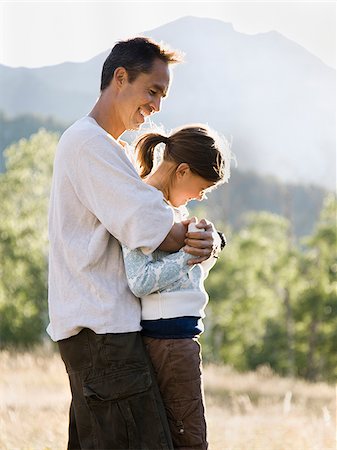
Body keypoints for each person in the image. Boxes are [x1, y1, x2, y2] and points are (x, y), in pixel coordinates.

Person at [47, 37, 221, 450]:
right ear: (120, 78)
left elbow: (153, 216)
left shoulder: (108, 149)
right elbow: (153, 226)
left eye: (163, 95)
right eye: (153, 91)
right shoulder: (88, 144)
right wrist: (195, 239)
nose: (157, 106)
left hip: (102, 335)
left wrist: (190, 235)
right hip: (104, 335)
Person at [121, 124, 230, 450]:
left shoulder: (172, 211)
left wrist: (210, 246)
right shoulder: (144, 207)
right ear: (182, 170)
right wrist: (188, 257)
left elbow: (188, 275)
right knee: (190, 439)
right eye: (202, 188)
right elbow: (139, 281)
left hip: (178, 336)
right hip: (169, 338)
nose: (200, 196)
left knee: (179, 436)